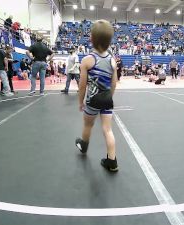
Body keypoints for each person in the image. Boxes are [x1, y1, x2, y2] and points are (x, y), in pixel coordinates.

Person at [75, 20, 118, 172]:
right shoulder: (112, 61)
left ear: (91, 39)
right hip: (107, 100)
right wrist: (109, 97)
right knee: (108, 130)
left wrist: (81, 102)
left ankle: (84, 146)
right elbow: (114, 83)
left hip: (92, 100)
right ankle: (112, 162)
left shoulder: (87, 60)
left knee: (88, 125)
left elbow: (82, 85)